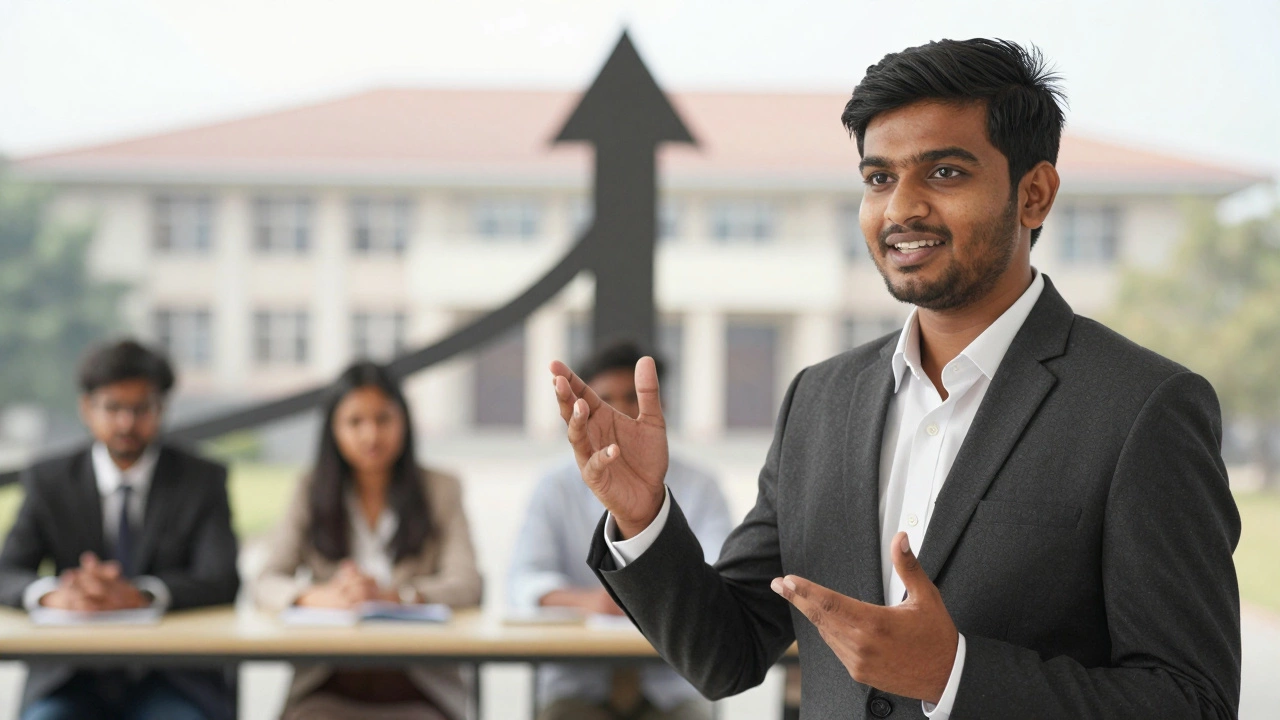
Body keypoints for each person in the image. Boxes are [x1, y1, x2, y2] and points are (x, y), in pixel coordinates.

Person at [550, 39, 1241, 719]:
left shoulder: (1143, 408)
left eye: (944, 173)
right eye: (879, 178)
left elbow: (1193, 699)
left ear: (1034, 195)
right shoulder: (820, 400)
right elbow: (725, 655)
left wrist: (955, 677)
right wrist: (643, 518)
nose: (901, 209)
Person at [0, 339, 240, 720]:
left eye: (141, 408)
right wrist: (53, 595)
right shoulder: (49, 480)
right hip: (72, 677)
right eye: (113, 408)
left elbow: (222, 579)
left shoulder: (202, 480)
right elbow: (6, 571)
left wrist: (140, 594)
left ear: (161, 409)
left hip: (171, 676)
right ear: (86, 408)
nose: (126, 422)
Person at [509, 341, 733, 720]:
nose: (619, 410)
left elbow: (720, 577)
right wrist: (592, 603)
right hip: (577, 685)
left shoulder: (700, 485)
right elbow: (524, 580)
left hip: (672, 686)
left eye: (632, 397)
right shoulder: (554, 486)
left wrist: (646, 600)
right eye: (606, 398)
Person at [254, 360, 483, 720]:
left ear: (404, 422)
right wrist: (318, 597)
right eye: (355, 422)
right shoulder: (311, 489)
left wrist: (396, 597)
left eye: (383, 419)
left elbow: (468, 584)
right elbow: (266, 580)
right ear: (333, 430)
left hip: (418, 690)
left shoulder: (441, 489)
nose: (371, 435)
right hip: (328, 685)